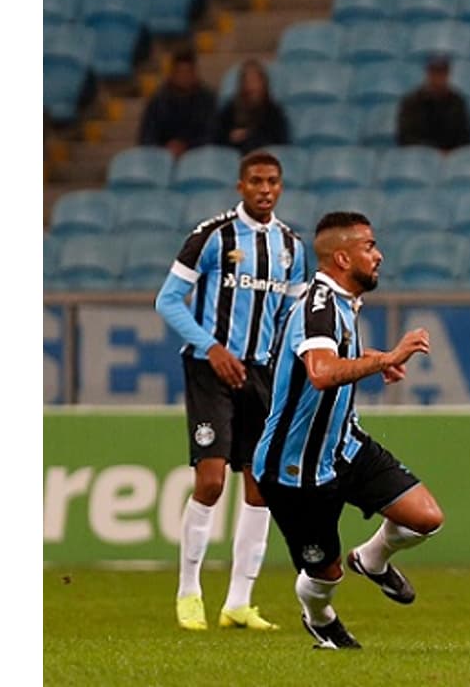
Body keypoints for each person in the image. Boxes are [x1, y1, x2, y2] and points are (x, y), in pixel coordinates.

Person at [253, 211, 445, 650]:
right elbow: (321, 373)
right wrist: (384, 358)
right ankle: (320, 619)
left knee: (425, 519)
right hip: (295, 468)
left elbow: (324, 360)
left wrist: (378, 357)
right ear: (342, 257)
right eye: (369, 247)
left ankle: (373, 559)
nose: (378, 256)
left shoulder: (340, 301)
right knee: (325, 573)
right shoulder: (318, 306)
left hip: (343, 446)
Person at [154, 150, 308, 632]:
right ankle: (189, 592)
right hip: (210, 369)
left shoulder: (291, 248)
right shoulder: (212, 237)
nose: (265, 189)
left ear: (281, 187)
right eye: (256, 181)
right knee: (212, 481)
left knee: (261, 488)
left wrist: (294, 367)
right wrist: (211, 345)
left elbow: (291, 318)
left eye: (273, 182)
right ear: (240, 186)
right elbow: (167, 301)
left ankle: (239, 601)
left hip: (262, 375)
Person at [139, 46, 217, 158]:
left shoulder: (207, 100)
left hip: (199, 158)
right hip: (162, 158)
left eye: (188, 72)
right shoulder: (158, 101)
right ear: (172, 74)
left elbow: (212, 135)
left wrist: (187, 147)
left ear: (195, 73)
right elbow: (147, 136)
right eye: (180, 72)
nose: (184, 77)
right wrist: (165, 148)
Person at [211, 59, 290, 154]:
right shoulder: (230, 109)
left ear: (264, 83)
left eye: (255, 81)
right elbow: (215, 138)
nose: (252, 86)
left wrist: (250, 136)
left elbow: (281, 143)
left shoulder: (274, 112)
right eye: (248, 81)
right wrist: (231, 138)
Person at [397, 54, 470, 151]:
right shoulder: (411, 102)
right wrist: (432, 151)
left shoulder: (457, 102)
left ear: (447, 74)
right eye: (434, 72)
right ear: (428, 74)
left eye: (442, 73)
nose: (438, 78)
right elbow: (405, 138)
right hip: (419, 156)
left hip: (451, 157)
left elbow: (463, 137)